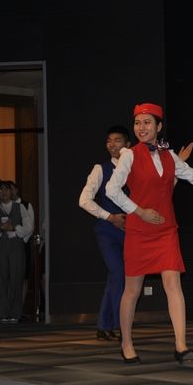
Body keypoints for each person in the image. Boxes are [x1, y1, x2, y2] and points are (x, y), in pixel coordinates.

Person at [106, 103, 193, 365]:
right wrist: (140, 211)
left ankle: (181, 345)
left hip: (166, 230)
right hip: (139, 230)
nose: (141, 128)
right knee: (132, 290)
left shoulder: (169, 156)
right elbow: (111, 190)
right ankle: (126, 343)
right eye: (137, 123)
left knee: (173, 284)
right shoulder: (129, 155)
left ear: (158, 126)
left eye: (147, 123)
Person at [79, 125, 132, 341]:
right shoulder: (100, 169)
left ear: (128, 145)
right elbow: (84, 200)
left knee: (115, 277)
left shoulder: (135, 167)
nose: (112, 144)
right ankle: (121, 327)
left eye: (117, 140)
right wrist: (110, 217)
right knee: (119, 275)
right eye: (109, 141)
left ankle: (104, 325)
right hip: (107, 231)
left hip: (130, 232)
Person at [0, 181, 34, 323]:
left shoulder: (20, 207)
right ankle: (2, 313)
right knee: (1, 280)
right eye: (1, 190)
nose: (4, 192)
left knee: (16, 279)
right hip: (1, 248)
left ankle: (15, 312)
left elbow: (29, 228)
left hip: (16, 248)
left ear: (11, 191)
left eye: (6, 189)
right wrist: (1, 229)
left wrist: (14, 228)